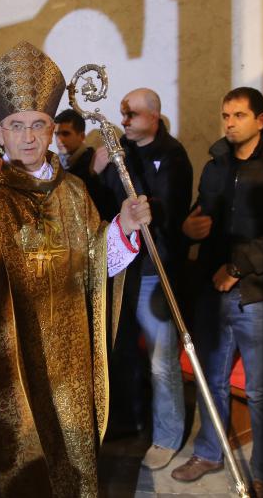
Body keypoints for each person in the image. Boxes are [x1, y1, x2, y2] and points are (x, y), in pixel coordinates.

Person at [0, 42, 151, 497]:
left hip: (63, 360)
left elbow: (96, 264)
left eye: (38, 125)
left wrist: (123, 230)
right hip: (0, 362)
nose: (29, 137)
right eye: (17, 126)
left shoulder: (74, 193)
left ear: (53, 128)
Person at [171, 87, 263, 497]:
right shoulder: (215, 165)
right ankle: (209, 451)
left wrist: (236, 267)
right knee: (211, 379)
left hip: (258, 293)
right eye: (225, 114)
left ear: (260, 120)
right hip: (213, 291)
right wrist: (187, 230)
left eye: (239, 115)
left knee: (262, 390)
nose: (230, 122)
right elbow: (200, 214)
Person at [91, 88, 192, 470]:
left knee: (161, 360)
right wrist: (96, 173)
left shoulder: (173, 156)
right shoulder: (121, 154)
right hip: (122, 268)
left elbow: (164, 213)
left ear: (154, 115)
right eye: (122, 113)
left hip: (154, 270)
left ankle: (167, 436)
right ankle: (127, 420)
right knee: (122, 352)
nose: (124, 121)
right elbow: (104, 209)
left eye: (130, 114)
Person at [53, 109, 114, 219]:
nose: (59, 139)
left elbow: (101, 203)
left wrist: (92, 175)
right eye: (56, 134)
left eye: (65, 133)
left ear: (81, 136)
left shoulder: (95, 161)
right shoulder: (54, 164)